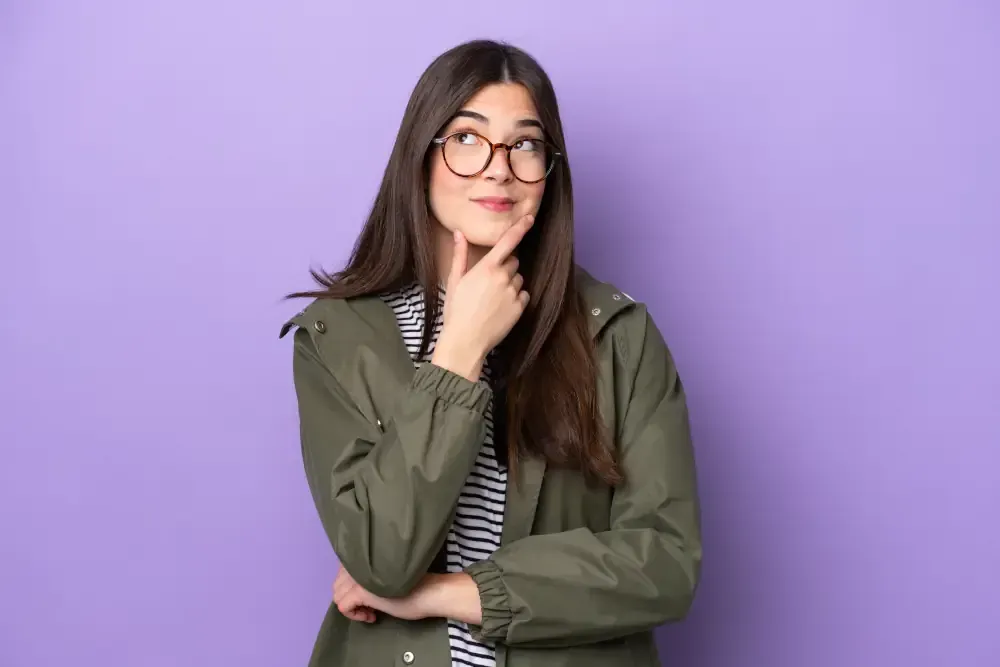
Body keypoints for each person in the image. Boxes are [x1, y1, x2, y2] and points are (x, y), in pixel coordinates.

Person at [280, 39, 702, 667]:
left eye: (525, 144)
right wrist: (459, 351)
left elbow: (666, 561)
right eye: (467, 139)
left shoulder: (616, 333)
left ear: (549, 170)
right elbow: (380, 557)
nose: (499, 168)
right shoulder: (336, 338)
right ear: (420, 157)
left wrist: (452, 594)